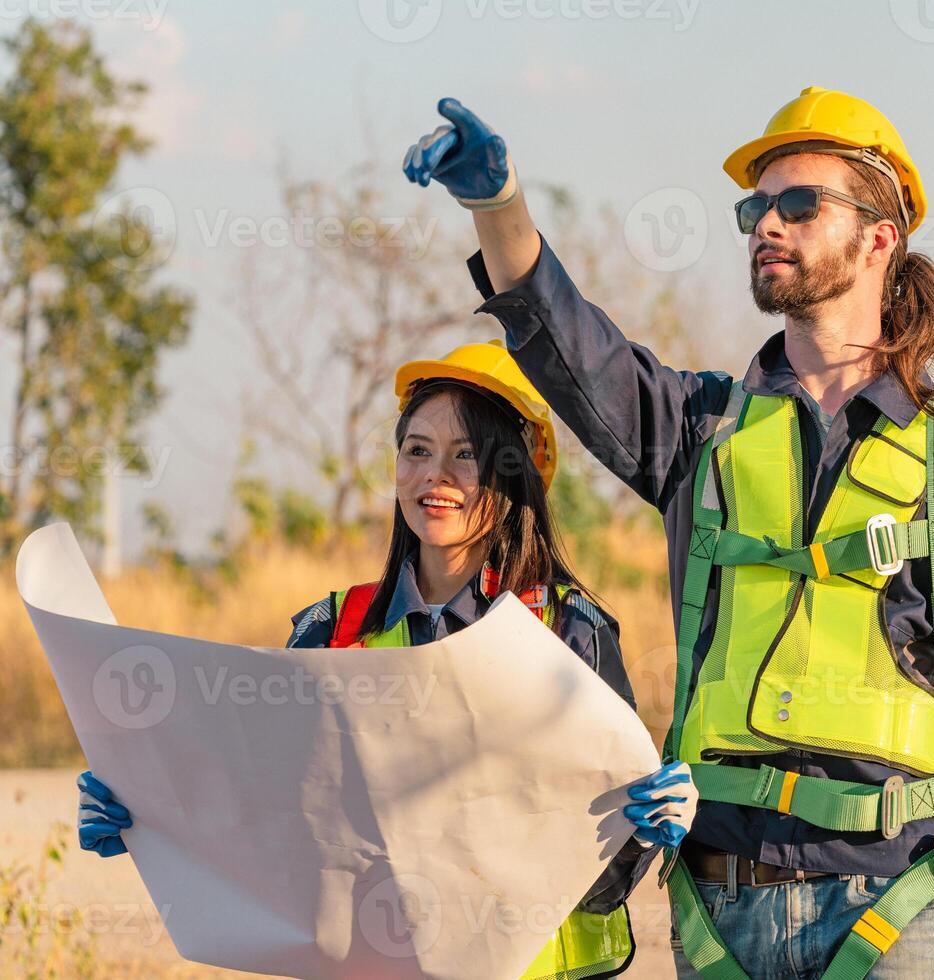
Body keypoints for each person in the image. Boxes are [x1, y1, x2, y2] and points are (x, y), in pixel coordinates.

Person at [402, 85, 934, 980]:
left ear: (879, 236)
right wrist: (498, 206)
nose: (765, 225)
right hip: (722, 907)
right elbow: (571, 346)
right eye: (756, 206)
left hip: (894, 903)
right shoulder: (699, 432)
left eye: (798, 204)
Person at [76, 341, 697, 980]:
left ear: (515, 472)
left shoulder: (568, 631)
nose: (436, 476)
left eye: (468, 455)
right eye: (418, 451)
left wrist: (642, 830)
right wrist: (146, 815)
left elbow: (601, 885)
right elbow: (270, 826)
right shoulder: (331, 632)